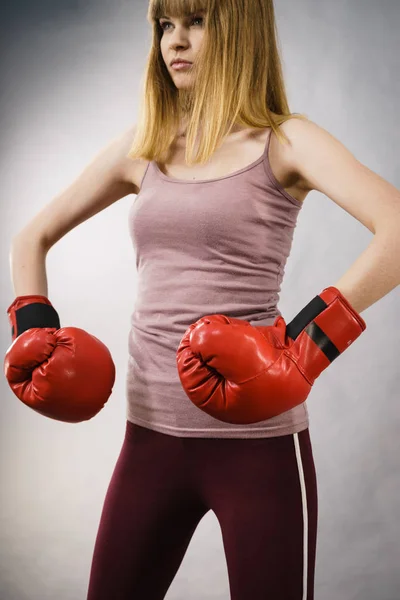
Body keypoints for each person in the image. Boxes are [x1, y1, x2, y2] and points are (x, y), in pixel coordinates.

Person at [7, 1, 400, 599]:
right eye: (165, 25)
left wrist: (302, 348)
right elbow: (32, 235)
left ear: (239, 30)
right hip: (150, 441)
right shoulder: (148, 143)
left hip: (260, 448)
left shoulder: (285, 139)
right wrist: (32, 330)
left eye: (196, 21)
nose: (175, 41)